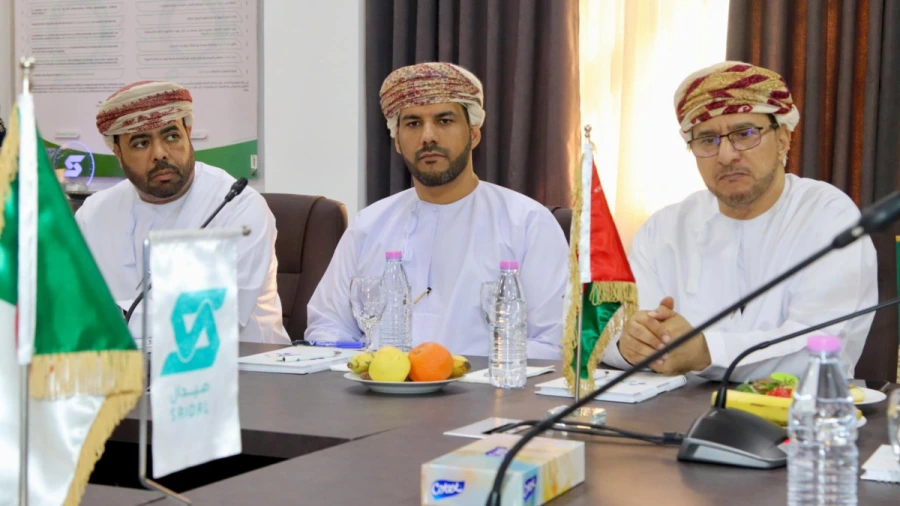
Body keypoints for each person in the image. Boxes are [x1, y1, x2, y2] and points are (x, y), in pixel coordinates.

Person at [603, 62, 877, 381]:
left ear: (783, 139)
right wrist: (629, 344)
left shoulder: (827, 215)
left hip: (792, 408)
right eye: (708, 140)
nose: (726, 155)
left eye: (745, 134)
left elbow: (820, 348)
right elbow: (608, 328)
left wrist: (705, 351)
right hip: (674, 408)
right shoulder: (664, 229)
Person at [305, 62, 568, 358]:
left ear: (474, 134)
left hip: (485, 385)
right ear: (397, 141)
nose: (428, 136)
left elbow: (553, 342)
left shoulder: (526, 222)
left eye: (444, 120)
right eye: (413, 123)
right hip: (382, 385)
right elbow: (327, 326)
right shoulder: (369, 224)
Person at [75, 81, 289, 344]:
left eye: (171, 137)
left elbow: (213, 320)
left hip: (247, 362)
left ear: (188, 133)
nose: (160, 154)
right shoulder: (93, 214)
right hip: (122, 365)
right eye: (141, 143)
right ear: (117, 152)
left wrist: (110, 318)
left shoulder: (237, 207)